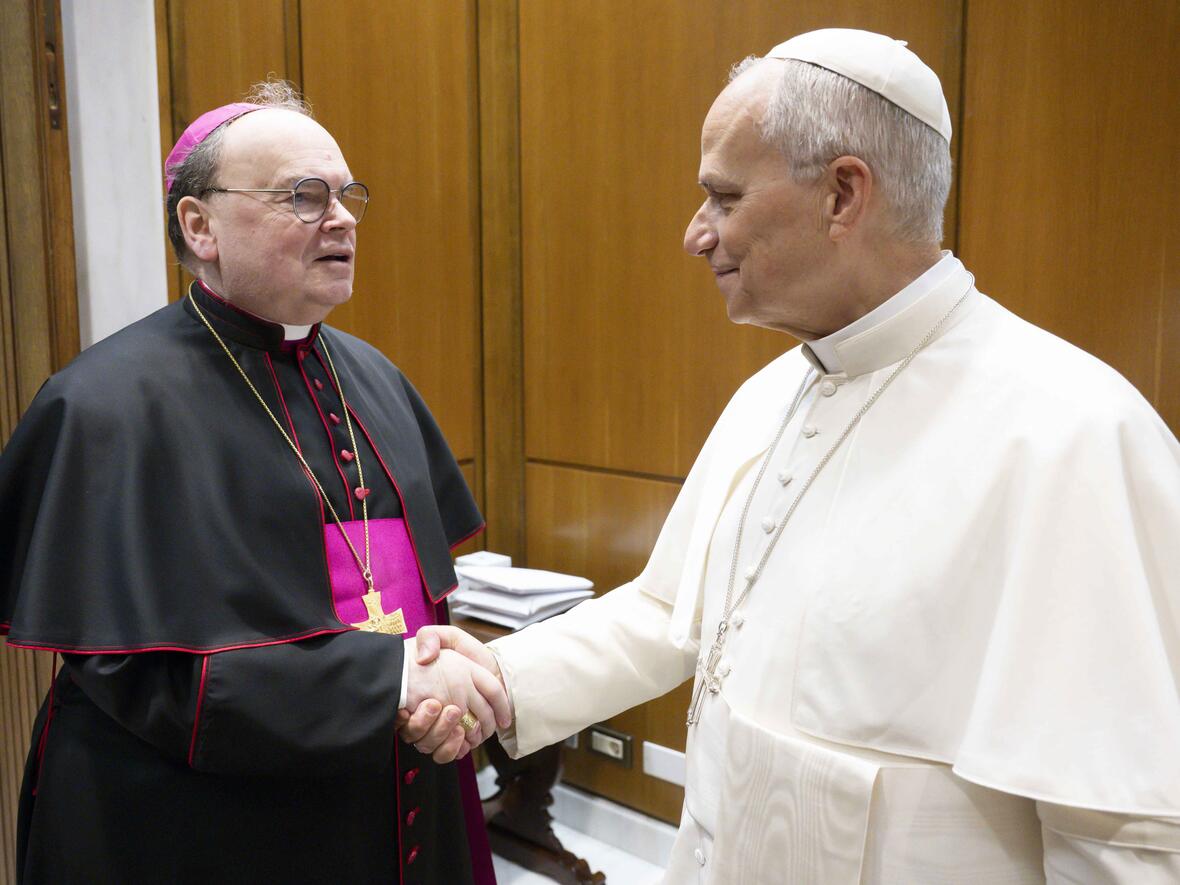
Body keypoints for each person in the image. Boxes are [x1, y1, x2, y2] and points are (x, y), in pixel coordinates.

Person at [405, 28, 1180, 883]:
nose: (696, 235)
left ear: (843, 194)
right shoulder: (770, 392)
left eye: (724, 197)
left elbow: (1124, 838)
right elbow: (670, 613)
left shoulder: (1075, 435)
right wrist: (501, 675)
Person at [0, 82, 509, 883]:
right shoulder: (103, 405)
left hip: (393, 782)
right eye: (303, 196)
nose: (340, 219)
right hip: (207, 826)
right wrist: (388, 682)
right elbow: (140, 677)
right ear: (199, 225)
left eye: (346, 195)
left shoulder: (377, 378)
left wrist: (435, 688)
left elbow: (418, 604)